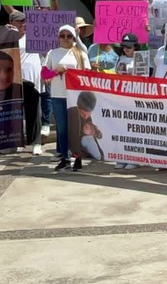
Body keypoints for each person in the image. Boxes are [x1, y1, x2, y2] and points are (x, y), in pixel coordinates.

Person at [45, 24, 90, 171]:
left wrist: (69, 72)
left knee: (76, 129)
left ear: (73, 37)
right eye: (62, 36)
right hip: (58, 95)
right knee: (62, 128)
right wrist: (55, 72)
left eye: (69, 36)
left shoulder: (80, 54)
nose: (65, 39)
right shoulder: (52, 53)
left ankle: (77, 157)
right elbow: (44, 75)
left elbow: (87, 76)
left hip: (75, 97)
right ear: (58, 37)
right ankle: (64, 157)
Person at [7, 11, 44, 156]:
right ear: (11, 22)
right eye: (20, 21)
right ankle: (16, 142)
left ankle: (36, 143)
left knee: (34, 113)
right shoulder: (7, 38)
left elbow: (51, 22)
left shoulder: (34, 36)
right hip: (14, 80)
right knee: (15, 113)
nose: (24, 24)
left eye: (25, 21)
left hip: (33, 81)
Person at [68, 90, 104, 164]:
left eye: (88, 114)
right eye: (83, 114)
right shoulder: (71, 113)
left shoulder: (87, 118)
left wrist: (101, 154)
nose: (86, 117)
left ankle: (99, 157)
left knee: (88, 138)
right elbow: (73, 141)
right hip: (72, 148)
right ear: (78, 106)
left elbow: (92, 137)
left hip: (81, 147)